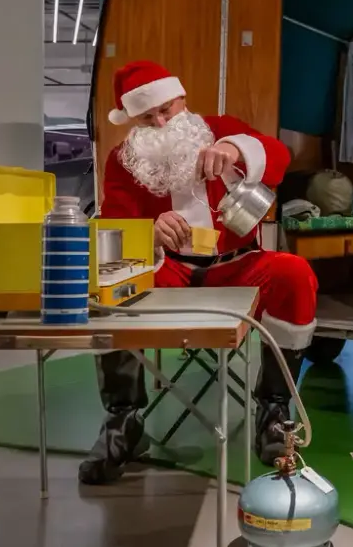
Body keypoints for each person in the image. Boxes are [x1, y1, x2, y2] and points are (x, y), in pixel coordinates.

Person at [78, 60, 318, 485]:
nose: (160, 122)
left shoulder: (220, 129)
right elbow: (114, 230)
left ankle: (274, 409)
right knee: (110, 287)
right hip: (168, 267)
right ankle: (123, 420)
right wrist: (149, 232)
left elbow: (279, 156)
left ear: (182, 99)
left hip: (239, 265)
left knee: (295, 274)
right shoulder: (123, 160)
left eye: (166, 109)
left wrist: (237, 150)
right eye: (147, 117)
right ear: (132, 119)